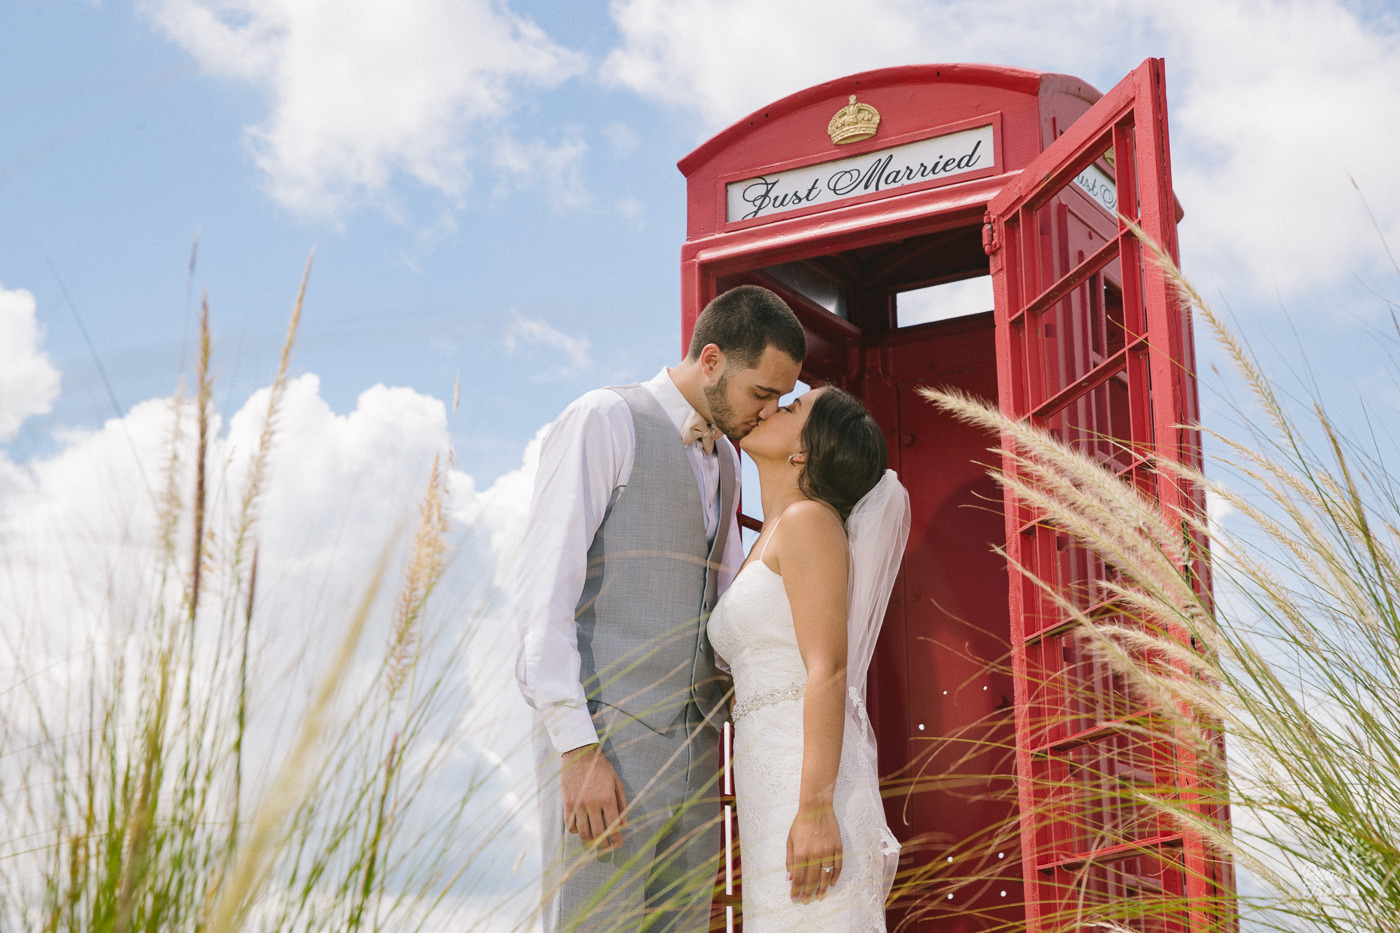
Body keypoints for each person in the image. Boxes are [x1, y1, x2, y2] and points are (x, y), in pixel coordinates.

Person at [514, 285, 806, 932]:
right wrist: (574, 749)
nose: (767, 411)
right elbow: (542, 603)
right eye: (761, 392)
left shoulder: (729, 458)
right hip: (605, 753)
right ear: (711, 360)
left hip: (698, 762)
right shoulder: (603, 419)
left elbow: (724, 612)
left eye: (781, 400)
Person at [708, 386, 910, 931]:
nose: (772, 406)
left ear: (804, 452)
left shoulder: (809, 522)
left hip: (809, 784)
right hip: (766, 780)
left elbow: (829, 669)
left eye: (792, 406)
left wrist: (818, 807)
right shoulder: (770, 534)